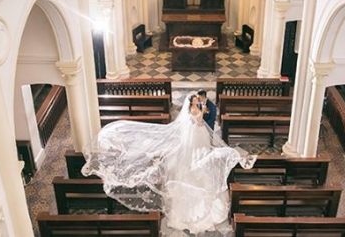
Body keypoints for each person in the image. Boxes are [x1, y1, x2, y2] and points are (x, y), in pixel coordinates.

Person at [82, 93, 255, 234]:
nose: (198, 102)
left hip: (196, 141)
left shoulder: (192, 111)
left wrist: (202, 111)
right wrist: (202, 111)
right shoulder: (195, 111)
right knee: (196, 163)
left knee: (195, 162)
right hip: (195, 141)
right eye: (196, 101)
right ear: (192, 103)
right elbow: (199, 122)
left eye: (197, 101)